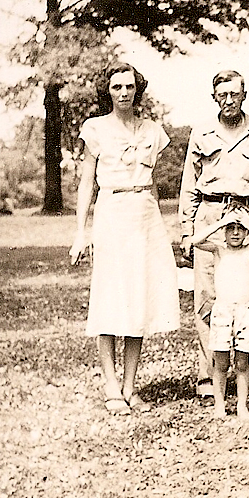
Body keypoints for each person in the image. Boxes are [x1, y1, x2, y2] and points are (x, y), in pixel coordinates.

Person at [70, 63, 180, 414]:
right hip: (112, 213)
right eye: (116, 86)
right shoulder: (95, 129)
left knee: (140, 298)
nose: (123, 92)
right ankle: (110, 384)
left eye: (129, 86)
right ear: (108, 90)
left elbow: (154, 184)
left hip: (144, 214)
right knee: (110, 297)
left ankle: (131, 386)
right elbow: (87, 182)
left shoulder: (151, 130)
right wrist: (79, 233)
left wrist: (162, 226)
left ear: (137, 89)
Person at [178, 70, 249, 399]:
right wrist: (187, 229)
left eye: (235, 94)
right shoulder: (201, 133)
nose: (229, 100)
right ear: (214, 97)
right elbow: (190, 184)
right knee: (207, 298)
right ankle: (208, 375)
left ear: (244, 95)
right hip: (209, 214)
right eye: (222, 95)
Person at [190, 206, 249, 420]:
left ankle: (241, 405)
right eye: (231, 228)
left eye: (240, 229)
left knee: (242, 363)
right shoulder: (218, 249)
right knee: (220, 363)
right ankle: (219, 406)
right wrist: (221, 223)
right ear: (224, 231)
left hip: (245, 312)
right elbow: (195, 240)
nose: (236, 233)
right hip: (223, 312)